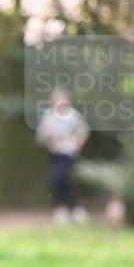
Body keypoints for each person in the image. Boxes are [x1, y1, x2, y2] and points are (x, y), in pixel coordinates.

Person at [36, 88, 89, 223]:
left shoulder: (73, 115)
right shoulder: (48, 116)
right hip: (55, 154)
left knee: (58, 177)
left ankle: (68, 208)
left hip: (69, 153)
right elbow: (40, 137)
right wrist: (48, 137)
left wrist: (77, 144)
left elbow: (83, 131)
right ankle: (70, 209)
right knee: (64, 181)